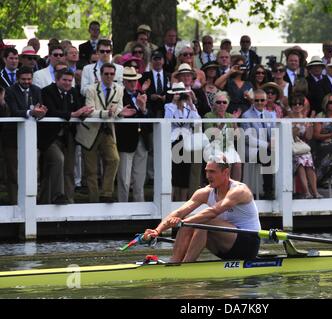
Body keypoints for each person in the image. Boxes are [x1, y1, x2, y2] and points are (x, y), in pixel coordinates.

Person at [143, 154, 261, 263]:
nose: (208, 176)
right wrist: (157, 230)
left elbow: (213, 211)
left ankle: (186, 265)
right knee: (190, 221)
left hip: (248, 244)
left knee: (199, 221)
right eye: (207, 171)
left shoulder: (239, 191)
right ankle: (174, 262)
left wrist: (183, 222)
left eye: (212, 172)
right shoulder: (204, 192)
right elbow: (179, 212)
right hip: (224, 247)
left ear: (225, 172)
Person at [75, 63, 133, 203]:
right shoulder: (90, 89)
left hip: (107, 130)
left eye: (111, 74)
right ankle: (94, 200)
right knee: (91, 169)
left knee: (114, 159)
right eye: (106, 74)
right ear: (101, 75)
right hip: (90, 131)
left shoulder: (119, 89)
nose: (109, 76)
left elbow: (118, 108)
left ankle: (106, 193)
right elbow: (89, 111)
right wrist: (108, 113)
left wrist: (120, 113)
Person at [39, 69, 93, 204]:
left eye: (70, 80)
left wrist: (84, 113)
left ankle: (69, 201)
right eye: (64, 80)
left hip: (69, 137)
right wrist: (73, 114)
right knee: (57, 161)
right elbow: (50, 111)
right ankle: (55, 197)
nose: (68, 83)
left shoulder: (74, 92)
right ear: (57, 80)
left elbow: (80, 109)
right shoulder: (46, 91)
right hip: (49, 137)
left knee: (69, 169)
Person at [3, 67, 47, 204]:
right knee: (13, 173)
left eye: (29, 79)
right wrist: (31, 113)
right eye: (24, 79)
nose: (27, 82)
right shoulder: (10, 91)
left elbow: (39, 109)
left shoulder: (36, 90)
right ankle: (15, 204)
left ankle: (31, 204)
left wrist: (41, 113)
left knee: (33, 172)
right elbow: (14, 111)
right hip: (12, 138)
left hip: (32, 138)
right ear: (17, 79)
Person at [115, 67, 152, 202]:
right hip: (126, 140)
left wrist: (143, 108)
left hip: (142, 140)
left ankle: (139, 205)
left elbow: (151, 117)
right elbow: (116, 115)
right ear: (124, 81)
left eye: (134, 80)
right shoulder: (119, 95)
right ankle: (122, 206)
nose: (132, 83)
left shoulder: (141, 94)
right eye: (129, 81)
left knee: (140, 177)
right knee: (124, 177)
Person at [164, 82, 201, 201]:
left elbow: (197, 122)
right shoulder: (169, 106)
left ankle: (183, 201)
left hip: (186, 141)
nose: (180, 96)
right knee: (174, 172)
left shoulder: (189, 108)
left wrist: (191, 103)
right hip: (173, 140)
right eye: (178, 93)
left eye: (182, 94)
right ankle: (172, 199)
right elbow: (167, 120)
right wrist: (174, 103)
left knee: (185, 171)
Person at [241, 89, 277, 199]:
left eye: (262, 100)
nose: (260, 102)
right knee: (266, 155)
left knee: (283, 155)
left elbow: (274, 132)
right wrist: (267, 144)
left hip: (268, 148)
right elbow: (248, 139)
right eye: (257, 100)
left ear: (266, 101)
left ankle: (286, 191)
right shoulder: (246, 115)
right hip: (251, 149)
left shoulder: (269, 115)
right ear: (253, 101)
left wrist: (273, 141)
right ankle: (268, 191)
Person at [288, 94, 321, 199]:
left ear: (303, 106)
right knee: (301, 162)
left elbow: (309, 136)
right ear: (291, 106)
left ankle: (315, 192)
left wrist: (310, 125)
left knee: (309, 163)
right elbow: (291, 136)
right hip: (291, 148)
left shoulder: (306, 119)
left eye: (299, 104)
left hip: (303, 148)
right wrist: (298, 124)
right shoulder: (287, 119)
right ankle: (306, 192)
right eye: (294, 104)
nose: (297, 106)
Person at [203, 91, 242, 181]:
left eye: (224, 102)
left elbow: (237, 137)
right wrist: (223, 122)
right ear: (214, 104)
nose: (221, 104)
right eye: (218, 102)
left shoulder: (230, 116)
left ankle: (235, 190)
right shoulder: (208, 116)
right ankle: (223, 190)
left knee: (237, 164)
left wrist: (234, 122)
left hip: (228, 147)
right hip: (213, 147)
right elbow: (211, 138)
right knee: (226, 162)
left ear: (227, 104)